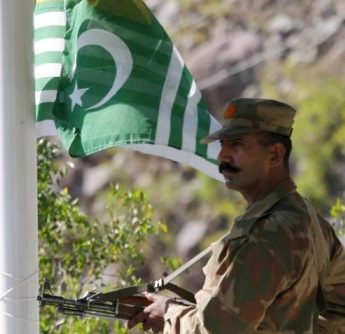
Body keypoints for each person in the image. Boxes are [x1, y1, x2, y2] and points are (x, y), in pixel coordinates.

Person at [126, 98, 345, 333]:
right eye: (223, 144)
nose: (223, 157)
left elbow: (216, 329)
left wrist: (169, 314)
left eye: (237, 144)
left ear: (275, 155)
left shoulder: (270, 232)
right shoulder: (306, 216)